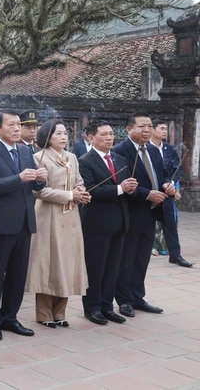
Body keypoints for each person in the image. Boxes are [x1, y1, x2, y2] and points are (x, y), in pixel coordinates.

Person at [0, 110, 47, 341]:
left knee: (17, 274)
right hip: (0, 223)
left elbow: (34, 186)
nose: (17, 128)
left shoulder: (26, 151)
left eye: (19, 124)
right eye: (12, 125)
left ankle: (10, 317)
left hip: (24, 221)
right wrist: (19, 178)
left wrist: (40, 178)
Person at [25, 120, 91, 328]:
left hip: (70, 216)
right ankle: (44, 314)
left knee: (69, 263)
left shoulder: (71, 157)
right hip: (48, 216)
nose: (64, 137)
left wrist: (80, 192)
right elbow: (38, 191)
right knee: (49, 263)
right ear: (47, 136)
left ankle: (60, 312)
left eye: (65, 133)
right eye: (58, 134)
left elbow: (79, 181)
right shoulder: (38, 158)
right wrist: (70, 195)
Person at [112, 112, 173, 318]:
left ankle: (138, 296)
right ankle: (124, 299)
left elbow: (163, 173)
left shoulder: (154, 151)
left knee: (142, 258)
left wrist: (167, 185)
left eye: (149, 126)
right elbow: (121, 182)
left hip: (152, 212)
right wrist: (148, 194)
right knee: (126, 258)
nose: (146, 130)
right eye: (141, 126)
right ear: (129, 129)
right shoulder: (120, 151)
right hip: (131, 212)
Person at [78, 120, 136, 325]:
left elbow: (126, 188)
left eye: (111, 134)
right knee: (96, 267)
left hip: (119, 222)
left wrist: (130, 188)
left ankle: (106, 305)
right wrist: (120, 188)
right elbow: (91, 190)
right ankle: (92, 307)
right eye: (103, 135)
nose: (109, 138)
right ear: (91, 138)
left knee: (113, 267)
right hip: (96, 223)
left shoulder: (120, 160)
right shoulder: (85, 160)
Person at [150, 120, 192, 267]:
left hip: (167, 192)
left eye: (166, 129)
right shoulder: (146, 148)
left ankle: (175, 255)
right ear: (153, 130)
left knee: (170, 224)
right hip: (150, 193)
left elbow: (177, 168)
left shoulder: (169, 148)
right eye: (161, 128)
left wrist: (172, 183)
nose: (165, 131)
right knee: (146, 224)